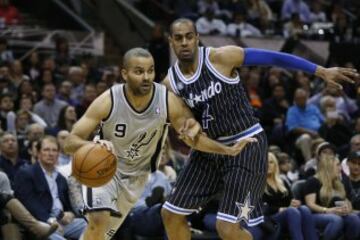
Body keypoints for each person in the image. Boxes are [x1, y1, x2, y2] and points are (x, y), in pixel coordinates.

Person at [161, 18, 359, 240]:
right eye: (179, 38)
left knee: (226, 228)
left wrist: (320, 70)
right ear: (171, 42)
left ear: (197, 38)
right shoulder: (170, 84)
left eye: (189, 36)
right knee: (170, 213)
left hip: (247, 143)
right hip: (211, 148)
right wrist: (189, 129)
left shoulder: (221, 57)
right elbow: (184, 124)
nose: (185, 42)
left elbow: (272, 57)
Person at [64, 48, 255, 240]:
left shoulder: (167, 100)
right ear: (125, 74)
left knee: (102, 234)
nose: (146, 77)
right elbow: (70, 142)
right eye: (139, 72)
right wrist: (91, 147)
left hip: (136, 178)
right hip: (104, 169)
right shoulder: (109, 100)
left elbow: (194, 140)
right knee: (98, 221)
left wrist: (227, 150)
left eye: (150, 71)